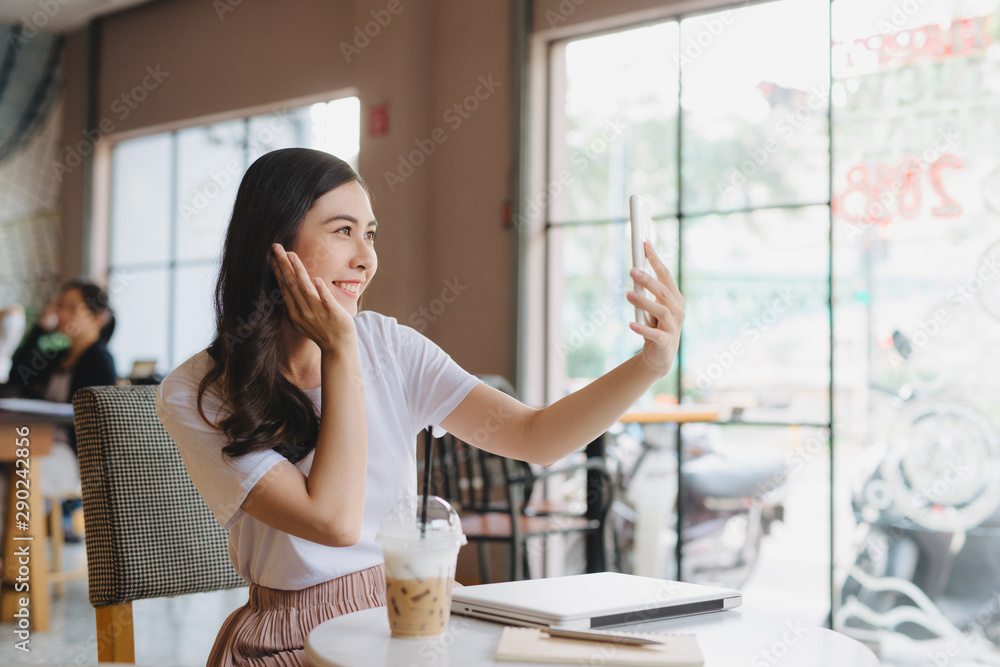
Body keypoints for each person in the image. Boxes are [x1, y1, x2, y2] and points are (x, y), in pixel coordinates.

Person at [155, 148, 684, 666]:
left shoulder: (389, 345)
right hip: (293, 636)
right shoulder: (198, 392)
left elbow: (534, 438)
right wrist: (341, 351)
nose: (365, 258)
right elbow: (333, 521)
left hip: (418, 613)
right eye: (343, 231)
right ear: (274, 244)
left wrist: (649, 366)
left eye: (370, 234)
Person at [2, 281, 117, 539]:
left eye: (72, 308)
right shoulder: (56, 355)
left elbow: (93, 425)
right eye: (60, 307)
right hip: (36, 444)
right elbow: (17, 376)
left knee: (14, 480)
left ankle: (19, 564)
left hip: (74, 456)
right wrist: (41, 327)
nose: (62, 315)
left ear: (98, 317)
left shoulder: (99, 360)